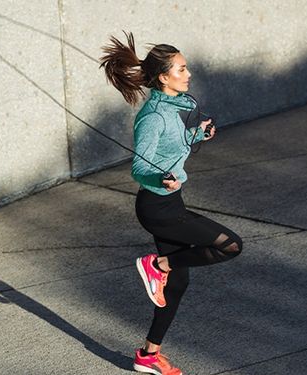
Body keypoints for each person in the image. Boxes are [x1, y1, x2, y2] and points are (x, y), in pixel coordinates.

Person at [100, 32, 243, 375]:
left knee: (178, 285)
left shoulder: (171, 109)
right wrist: (160, 179)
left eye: (186, 67)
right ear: (164, 77)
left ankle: (148, 356)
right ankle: (157, 265)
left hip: (169, 203)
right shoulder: (152, 117)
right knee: (231, 245)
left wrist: (196, 134)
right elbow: (140, 166)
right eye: (182, 69)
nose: (188, 73)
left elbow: (171, 145)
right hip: (158, 208)